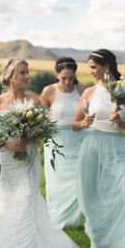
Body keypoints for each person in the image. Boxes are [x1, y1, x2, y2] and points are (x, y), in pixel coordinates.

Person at [0, 58, 84, 248]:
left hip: (29, 159)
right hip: (5, 159)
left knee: (25, 200)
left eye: (27, 72)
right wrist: (8, 142)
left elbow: (44, 131)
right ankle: (2, 246)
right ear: (10, 76)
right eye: (22, 73)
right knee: (6, 201)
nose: (27, 76)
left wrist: (31, 136)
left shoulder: (34, 102)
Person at [72, 49, 125, 248]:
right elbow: (75, 125)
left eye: (94, 67)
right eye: (90, 68)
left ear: (106, 66)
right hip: (92, 146)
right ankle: (99, 242)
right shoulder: (88, 93)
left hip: (117, 147)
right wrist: (84, 123)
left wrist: (122, 123)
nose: (91, 72)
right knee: (93, 196)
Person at [40, 57, 86, 228]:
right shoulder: (48, 91)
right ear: (57, 75)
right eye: (63, 78)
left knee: (78, 179)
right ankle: (56, 218)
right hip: (55, 142)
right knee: (56, 181)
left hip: (79, 140)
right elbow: (41, 119)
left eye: (71, 78)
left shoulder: (82, 90)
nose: (67, 82)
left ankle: (75, 218)